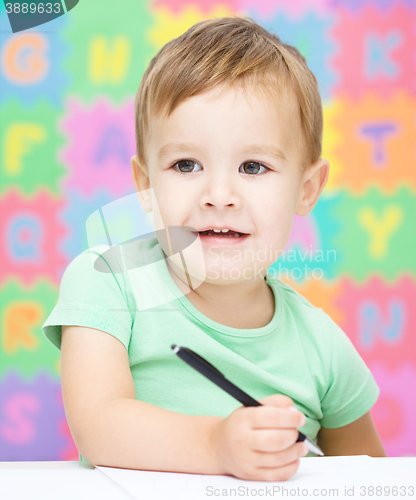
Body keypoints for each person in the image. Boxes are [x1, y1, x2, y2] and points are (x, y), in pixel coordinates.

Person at [43, 16, 386, 481]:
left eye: (253, 166)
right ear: (146, 186)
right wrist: (216, 447)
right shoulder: (107, 280)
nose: (218, 194)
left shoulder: (320, 344)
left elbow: (373, 477)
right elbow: (97, 424)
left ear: (306, 189)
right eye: (186, 164)